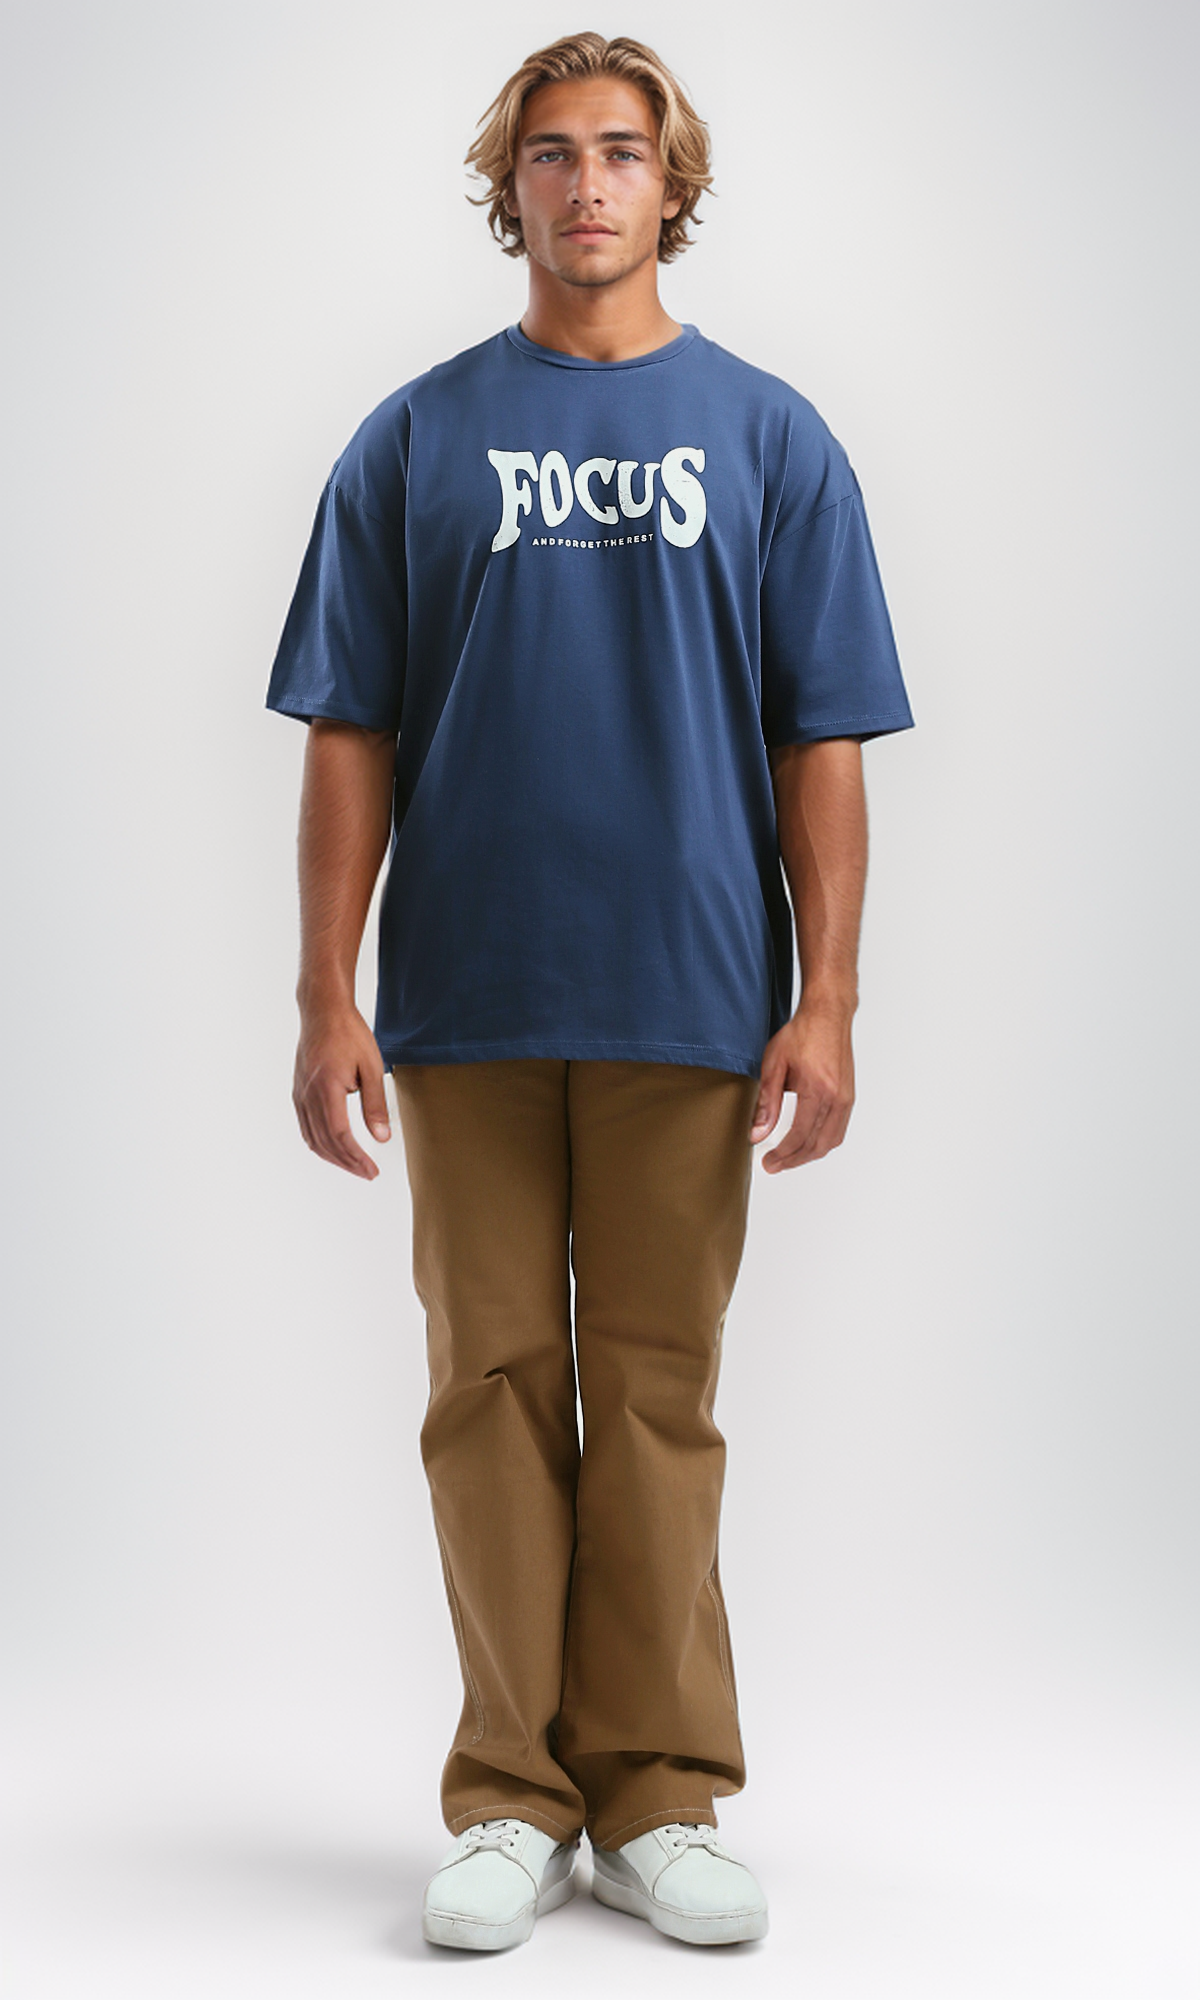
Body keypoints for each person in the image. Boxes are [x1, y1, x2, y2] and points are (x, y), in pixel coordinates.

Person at [265, 29, 914, 1954]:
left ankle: (656, 1794)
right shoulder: (413, 439)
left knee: (654, 1395)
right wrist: (323, 994)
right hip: (464, 997)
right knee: (486, 1391)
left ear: (671, 185)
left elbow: (822, 737)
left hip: (690, 993)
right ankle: (507, 1798)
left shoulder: (773, 438)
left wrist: (831, 999)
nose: (586, 185)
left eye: (621, 152)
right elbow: (350, 728)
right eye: (549, 155)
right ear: (511, 190)